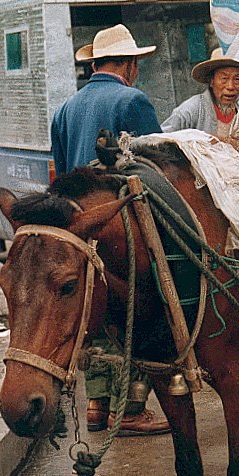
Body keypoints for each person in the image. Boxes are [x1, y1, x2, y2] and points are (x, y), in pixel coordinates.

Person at [51, 23, 170, 436]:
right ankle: (133, 408)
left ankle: (98, 407)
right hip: (124, 226)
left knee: (98, 316)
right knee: (143, 308)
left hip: (79, 228)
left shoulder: (66, 108)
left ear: (96, 63)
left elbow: (64, 176)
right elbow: (157, 167)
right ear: (131, 65)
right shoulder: (132, 99)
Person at [161, 47, 239, 136]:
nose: (230, 87)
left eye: (237, 79)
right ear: (212, 81)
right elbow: (159, 140)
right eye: (224, 78)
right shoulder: (190, 110)